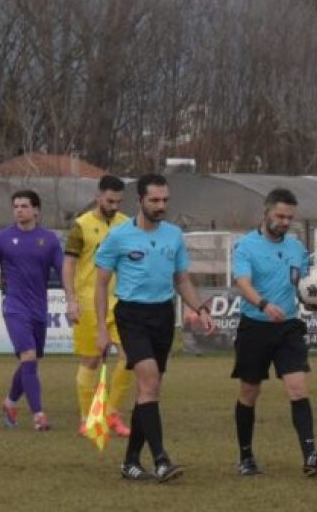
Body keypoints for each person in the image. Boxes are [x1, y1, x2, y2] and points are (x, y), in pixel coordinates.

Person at [95, 173, 215, 483]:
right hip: (132, 316)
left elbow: (182, 279)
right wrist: (101, 328)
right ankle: (161, 460)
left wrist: (199, 308)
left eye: (165, 200)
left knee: (149, 390)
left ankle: (131, 462)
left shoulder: (174, 235)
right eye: (155, 200)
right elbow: (101, 284)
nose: (161, 206)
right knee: (148, 383)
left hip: (163, 315)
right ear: (140, 201)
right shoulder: (119, 236)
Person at [231, 188, 317, 476]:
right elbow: (243, 282)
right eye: (280, 216)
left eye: (290, 217)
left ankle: (310, 455)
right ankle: (246, 457)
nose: (285, 222)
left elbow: (303, 288)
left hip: (288, 328)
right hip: (254, 327)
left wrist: (311, 303)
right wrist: (263, 304)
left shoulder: (297, 249)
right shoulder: (245, 246)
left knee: (298, 388)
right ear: (266, 212)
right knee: (249, 392)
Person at [0, 190, 64, 431]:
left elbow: (65, 273)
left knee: (31, 362)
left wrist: (73, 299)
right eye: (16, 206)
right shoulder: (1, 239)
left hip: (39, 308)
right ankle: (39, 415)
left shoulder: (50, 240)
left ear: (36, 210)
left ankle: (10, 402)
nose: (19, 210)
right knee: (29, 358)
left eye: (24, 206)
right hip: (13, 306)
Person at [63, 175, 133, 437]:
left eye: (118, 201)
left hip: (122, 302)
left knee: (130, 358)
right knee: (90, 361)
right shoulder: (81, 226)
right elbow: (69, 264)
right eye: (109, 200)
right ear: (98, 196)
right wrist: (71, 299)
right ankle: (87, 419)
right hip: (89, 302)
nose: (114, 206)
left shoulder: (127, 225)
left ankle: (112, 413)